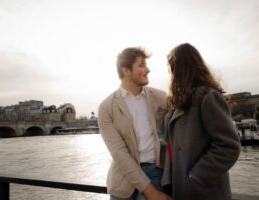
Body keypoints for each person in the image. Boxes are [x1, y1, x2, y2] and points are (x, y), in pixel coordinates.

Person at [161, 43, 241, 200]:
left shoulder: (207, 97)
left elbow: (229, 146)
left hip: (203, 192)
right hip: (182, 189)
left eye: (171, 67)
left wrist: (196, 177)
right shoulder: (180, 103)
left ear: (179, 68)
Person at [98, 47, 171, 200]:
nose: (148, 69)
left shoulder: (161, 98)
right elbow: (119, 154)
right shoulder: (106, 107)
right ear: (126, 71)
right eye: (142, 65)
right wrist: (151, 192)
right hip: (123, 183)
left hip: (157, 175)